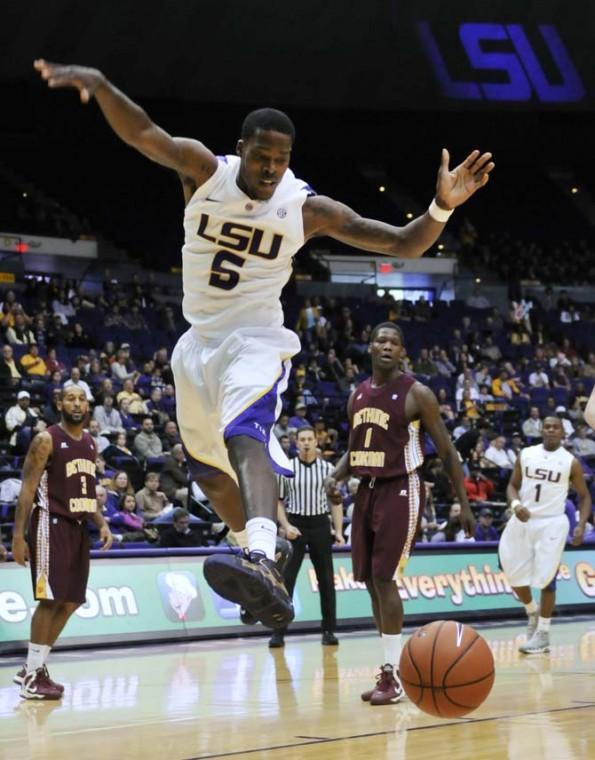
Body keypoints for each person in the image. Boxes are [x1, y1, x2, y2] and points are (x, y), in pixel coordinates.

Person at [35, 58, 492, 629]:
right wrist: (101, 86)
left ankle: (259, 548)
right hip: (197, 343)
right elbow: (143, 133)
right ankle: (260, 554)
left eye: (281, 159)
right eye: (261, 156)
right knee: (205, 471)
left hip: (255, 339)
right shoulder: (204, 171)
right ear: (241, 149)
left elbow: (403, 243)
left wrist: (442, 205)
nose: (271, 167)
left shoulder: (305, 208)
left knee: (243, 432)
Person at [327, 323, 474, 705]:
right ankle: (387, 670)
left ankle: (393, 677)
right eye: (380, 340)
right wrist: (337, 474)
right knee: (370, 583)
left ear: (403, 350)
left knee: (384, 577)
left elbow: (446, 451)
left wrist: (465, 502)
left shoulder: (417, 393)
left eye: (394, 341)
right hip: (366, 492)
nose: (386, 346)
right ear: (370, 346)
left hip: (402, 488)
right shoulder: (357, 394)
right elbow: (355, 447)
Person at [10, 386, 113, 699]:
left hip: (79, 528)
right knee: (50, 600)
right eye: (71, 398)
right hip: (49, 525)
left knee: (72, 601)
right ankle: (31, 677)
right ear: (59, 404)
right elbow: (27, 490)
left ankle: (33, 668)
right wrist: (17, 536)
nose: (77, 404)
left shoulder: (91, 442)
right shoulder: (46, 439)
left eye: (82, 399)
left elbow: (85, 492)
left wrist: (101, 522)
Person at [499, 416, 591, 654]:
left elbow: (584, 496)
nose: (550, 430)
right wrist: (516, 504)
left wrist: (581, 523)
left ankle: (543, 633)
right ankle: (532, 611)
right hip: (523, 518)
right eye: (547, 426)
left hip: (552, 523)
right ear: (541, 430)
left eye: (555, 427)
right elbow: (512, 486)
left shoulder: (571, 462)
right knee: (510, 570)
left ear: (563, 433)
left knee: (547, 578)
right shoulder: (526, 454)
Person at [269, 426, 344, 648]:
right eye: (302, 439)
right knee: (287, 581)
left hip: (320, 524)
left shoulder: (328, 469)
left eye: (310, 439)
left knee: (326, 580)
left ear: (316, 442)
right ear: (296, 443)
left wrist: (338, 531)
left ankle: (329, 630)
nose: (306, 443)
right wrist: (285, 525)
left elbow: (336, 502)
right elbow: (278, 501)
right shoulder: (287, 468)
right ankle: (278, 632)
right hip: (296, 524)